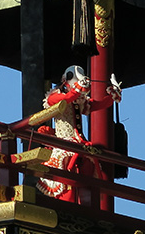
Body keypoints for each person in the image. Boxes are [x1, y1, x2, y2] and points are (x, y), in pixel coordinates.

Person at [36, 65, 122, 202]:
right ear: (65, 79)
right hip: (63, 145)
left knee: (89, 169)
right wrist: (78, 88)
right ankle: (67, 204)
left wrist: (113, 94)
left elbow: (98, 104)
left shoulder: (78, 100)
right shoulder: (54, 97)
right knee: (66, 173)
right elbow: (65, 99)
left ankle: (86, 205)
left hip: (80, 144)